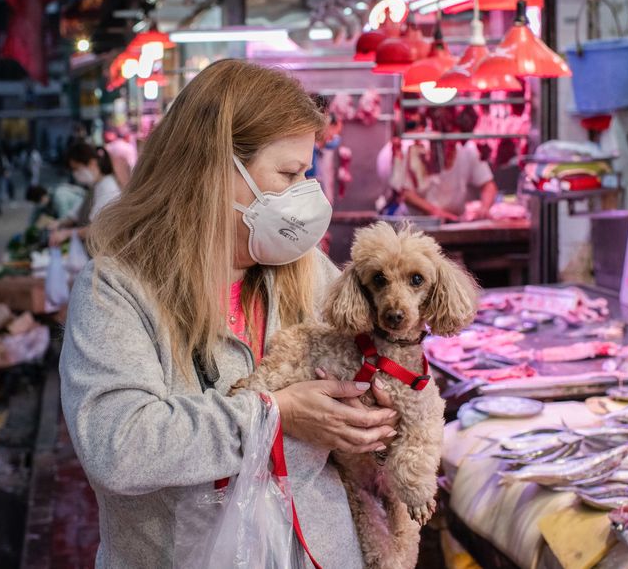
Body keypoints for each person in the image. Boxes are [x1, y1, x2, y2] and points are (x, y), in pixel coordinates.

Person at [60, 60, 397, 568]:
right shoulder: (116, 288)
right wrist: (275, 416)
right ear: (216, 169)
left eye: (307, 173)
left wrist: (374, 414)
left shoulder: (308, 270)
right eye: (289, 174)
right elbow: (118, 445)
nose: (306, 193)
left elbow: (375, 366)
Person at [48, 143, 122, 246]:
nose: (75, 174)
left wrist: (67, 233)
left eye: (77, 169)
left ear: (92, 163)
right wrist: (60, 223)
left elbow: (96, 228)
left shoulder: (108, 188)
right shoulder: (95, 185)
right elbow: (78, 213)